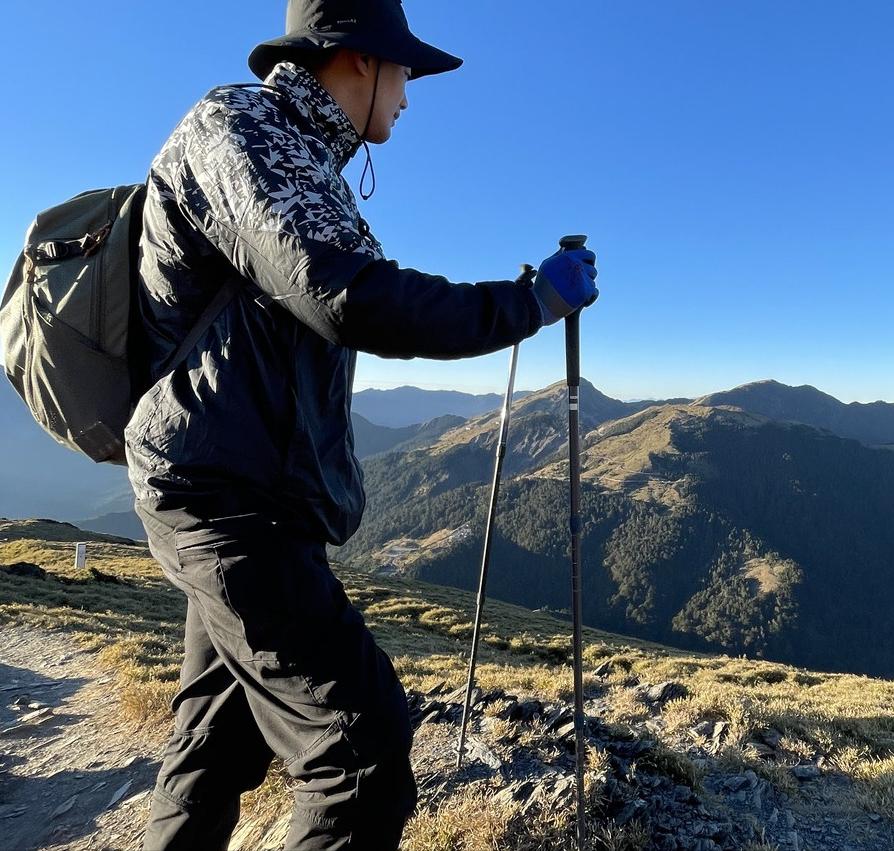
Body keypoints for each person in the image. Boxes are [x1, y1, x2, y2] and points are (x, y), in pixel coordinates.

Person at [126, 1, 599, 848]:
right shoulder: (245, 127)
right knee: (363, 752)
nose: (409, 97)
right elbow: (348, 295)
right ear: (355, 59)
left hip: (245, 493)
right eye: (405, 72)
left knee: (212, 749)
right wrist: (529, 302)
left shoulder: (300, 158)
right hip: (224, 502)